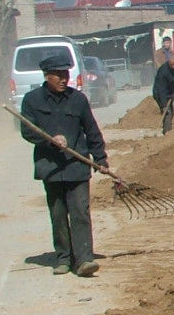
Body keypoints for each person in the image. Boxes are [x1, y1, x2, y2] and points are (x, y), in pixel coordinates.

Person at [20, 51, 108, 277]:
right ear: (46, 75)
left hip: (76, 166)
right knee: (58, 214)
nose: (63, 79)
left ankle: (84, 259)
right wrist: (50, 140)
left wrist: (100, 159)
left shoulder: (78, 100)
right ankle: (63, 258)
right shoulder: (32, 101)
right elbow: (27, 131)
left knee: (80, 212)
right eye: (58, 74)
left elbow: (92, 131)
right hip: (51, 167)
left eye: (65, 74)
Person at [152, 38, 174, 134]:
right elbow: (161, 90)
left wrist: (173, 91)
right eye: (172, 65)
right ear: (169, 62)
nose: (173, 67)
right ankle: (167, 132)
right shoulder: (163, 72)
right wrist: (164, 104)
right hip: (159, 92)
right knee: (167, 111)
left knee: (172, 111)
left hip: (169, 90)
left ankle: (167, 129)